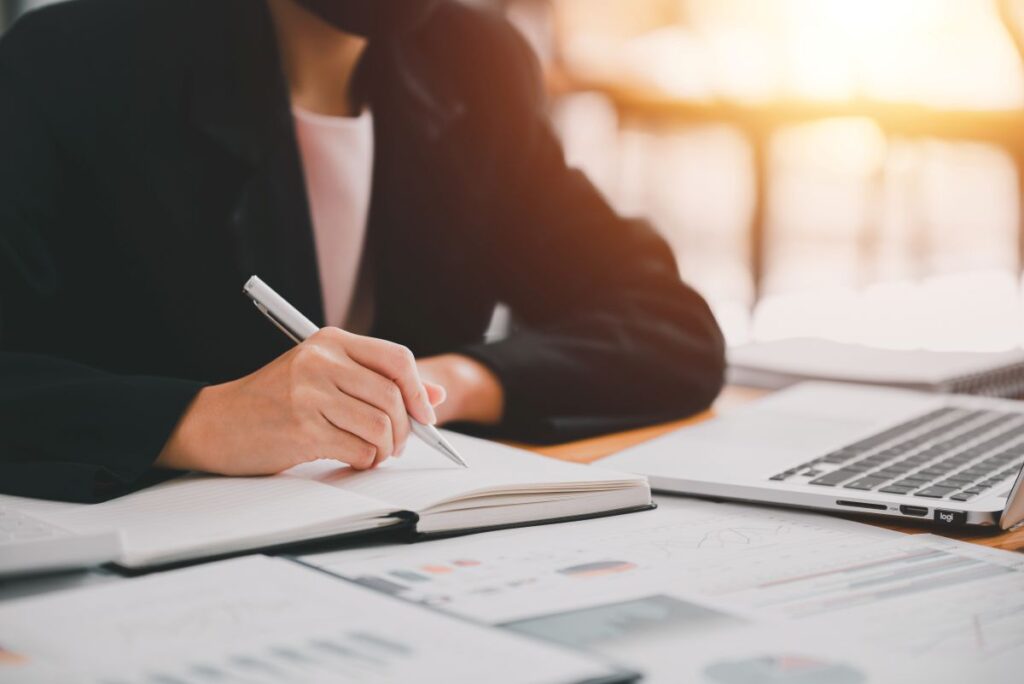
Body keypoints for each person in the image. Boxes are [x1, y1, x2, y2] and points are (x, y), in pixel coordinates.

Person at [0, 0, 725, 503]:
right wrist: (205, 420)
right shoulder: (71, 64)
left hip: (410, 553)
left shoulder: (474, 64)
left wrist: (438, 387)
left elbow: (670, 327)